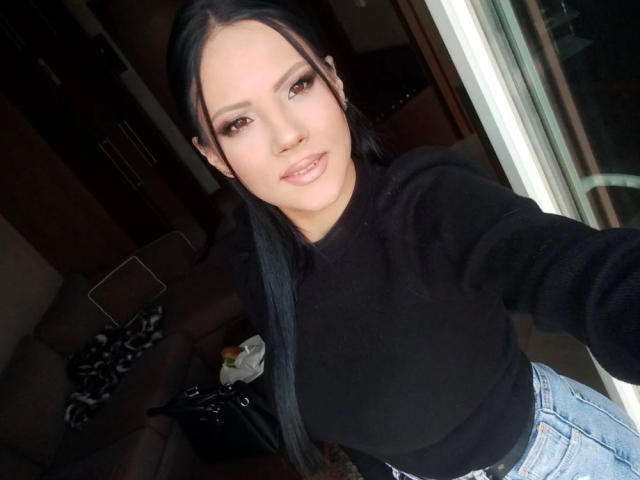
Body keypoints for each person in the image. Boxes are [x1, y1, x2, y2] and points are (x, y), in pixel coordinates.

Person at [166, 1, 640, 479]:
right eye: (238, 122)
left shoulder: (430, 202)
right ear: (214, 156)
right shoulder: (256, 261)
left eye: (298, 85)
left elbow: (588, 277)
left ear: (334, 82)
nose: (287, 134)